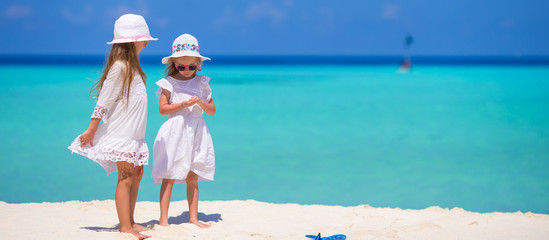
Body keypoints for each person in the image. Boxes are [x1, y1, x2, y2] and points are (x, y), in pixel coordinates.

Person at [68, 13, 157, 240]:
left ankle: (131, 220)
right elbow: (104, 100)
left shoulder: (134, 67)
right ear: (132, 41)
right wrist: (92, 128)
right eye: (143, 39)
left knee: (137, 173)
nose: (146, 42)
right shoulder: (120, 67)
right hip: (122, 133)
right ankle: (125, 227)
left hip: (136, 133)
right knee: (125, 176)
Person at [151, 33, 216, 228]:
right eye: (181, 67)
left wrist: (201, 103)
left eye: (191, 67)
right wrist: (182, 104)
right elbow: (162, 109)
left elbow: (212, 111)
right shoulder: (169, 83)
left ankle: (193, 218)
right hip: (175, 130)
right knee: (169, 174)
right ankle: (163, 219)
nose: (187, 71)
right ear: (174, 64)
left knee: (193, 175)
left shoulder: (203, 82)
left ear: (199, 64)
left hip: (197, 130)